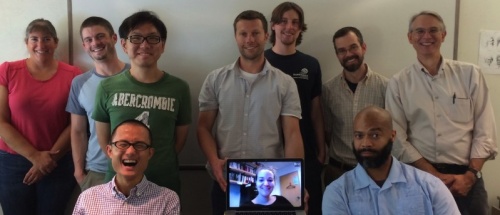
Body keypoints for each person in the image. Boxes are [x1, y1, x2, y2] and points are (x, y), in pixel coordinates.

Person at [385, 11, 498, 215]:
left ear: (444, 35)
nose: (426, 36)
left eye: (433, 30)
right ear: (410, 37)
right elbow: (398, 138)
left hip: (468, 181)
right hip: (420, 179)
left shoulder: (470, 75)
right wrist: (433, 175)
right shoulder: (399, 83)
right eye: (419, 31)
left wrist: (470, 176)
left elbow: (486, 131)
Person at [197, 10, 304, 215]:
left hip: (270, 187)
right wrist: (214, 161)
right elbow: (202, 127)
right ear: (236, 37)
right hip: (225, 181)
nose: (249, 40)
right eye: (243, 34)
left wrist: (297, 184)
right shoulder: (215, 79)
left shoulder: (285, 83)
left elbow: (292, 134)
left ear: (266, 36)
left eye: (255, 33)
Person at [92, 11, 192, 195]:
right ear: (124, 44)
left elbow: (178, 142)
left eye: (153, 38)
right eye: (136, 38)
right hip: (118, 185)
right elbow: (104, 140)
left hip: (163, 184)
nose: (144, 45)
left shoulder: (179, 88)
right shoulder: (107, 88)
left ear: (162, 45)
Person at [0, 19, 80, 214]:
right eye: (34, 39)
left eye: (47, 39)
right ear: (26, 42)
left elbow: (76, 125)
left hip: (57, 161)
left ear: (56, 42)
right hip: (13, 163)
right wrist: (35, 156)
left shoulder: (73, 75)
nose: (40, 45)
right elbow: (1, 121)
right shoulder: (8, 70)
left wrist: (47, 160)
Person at [322, 106, 460, 215]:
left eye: (374, 135)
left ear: (392, 136)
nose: (365, 143)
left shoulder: (429, 186)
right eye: (359, 136)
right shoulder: (338, 193)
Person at [264, 2, 324, 214]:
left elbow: (315, 111)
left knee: (307, 208)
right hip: (268, 153)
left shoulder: (311, 64)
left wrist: (321, 148)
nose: (289, 27)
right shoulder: (261, 61)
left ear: (300, 28)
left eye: (295, 22)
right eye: (283, 21)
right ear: (273, 26)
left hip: (306, 152)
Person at [66, 16, 130, 192]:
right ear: (84, 45)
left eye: (100, 36)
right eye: (89, 39)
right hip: (97, 173)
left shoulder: (137, 74)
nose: (95, 43)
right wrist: (79, 172)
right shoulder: (79, 83)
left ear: (114, 38)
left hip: (137, 168)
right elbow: (78, 131)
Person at [322, 26, 388, 186]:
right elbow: (328, 131)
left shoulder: (385, 87)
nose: (349, 54)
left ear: (363, 47)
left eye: (353, 47)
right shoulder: (328, 90)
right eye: (342, 50)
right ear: (337, 55)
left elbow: (390, 132)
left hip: (375, 172)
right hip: (338, 172)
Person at [72, 119, 180, 215]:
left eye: (139, 145)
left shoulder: (167, 199)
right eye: (122, 144)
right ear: (110, 151)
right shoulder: (88, 198)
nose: (131, 151)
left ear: (150, 153)